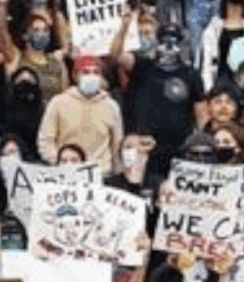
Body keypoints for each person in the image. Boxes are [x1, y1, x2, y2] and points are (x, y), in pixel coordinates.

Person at [112, 18, 206, 176]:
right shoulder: (143, 66)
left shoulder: (191, 74)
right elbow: (116, 56)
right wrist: (125, 25)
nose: (168, 45)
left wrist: (200, 141)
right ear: (157, 42)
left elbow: (201, 112)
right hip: (144, 146)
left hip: (179, 149)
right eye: (164, 40)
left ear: (181, 45)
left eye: (174, 41)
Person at [37, 56, 123, 175]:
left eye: (96, 72)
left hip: (101, 175)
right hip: (66, 173)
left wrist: (118, 173)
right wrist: (61, 163)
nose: (91, 76)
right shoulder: (58, 102)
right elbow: (46, 141)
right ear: (76, 76)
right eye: (86, 72)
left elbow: (117, 144)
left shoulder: (111, 106)